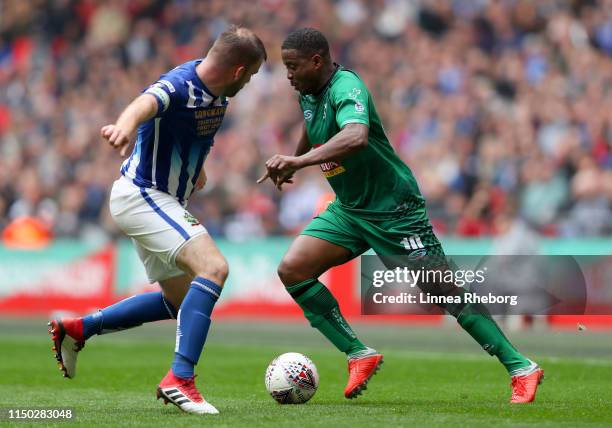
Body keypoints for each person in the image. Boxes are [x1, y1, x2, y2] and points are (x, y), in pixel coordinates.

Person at [258, 28, 543, 404]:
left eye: (293, 67)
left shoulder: (347, 88)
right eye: (285, 67)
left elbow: (355, 136)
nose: (288, 75)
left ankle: (521, 366)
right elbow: (313, 128)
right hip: (351, 208)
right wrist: (295, 160)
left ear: (316, 61)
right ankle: (359, 353)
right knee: (293, 269)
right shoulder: (308, 92)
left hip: (394, 209)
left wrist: (299, 160)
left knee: (445, 291)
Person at [48, 25, 267, 415]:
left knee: (180, 302)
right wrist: (124, 127)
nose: (249, 83)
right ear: (237, 71)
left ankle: (79, 328)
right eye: (250, 75)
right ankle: (180, 379)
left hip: (156, 199)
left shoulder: (218, 98)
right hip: (143, 195)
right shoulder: (180, 84)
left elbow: (198, 136)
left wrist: (197, 170)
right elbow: (146, 102)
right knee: (214, 268)